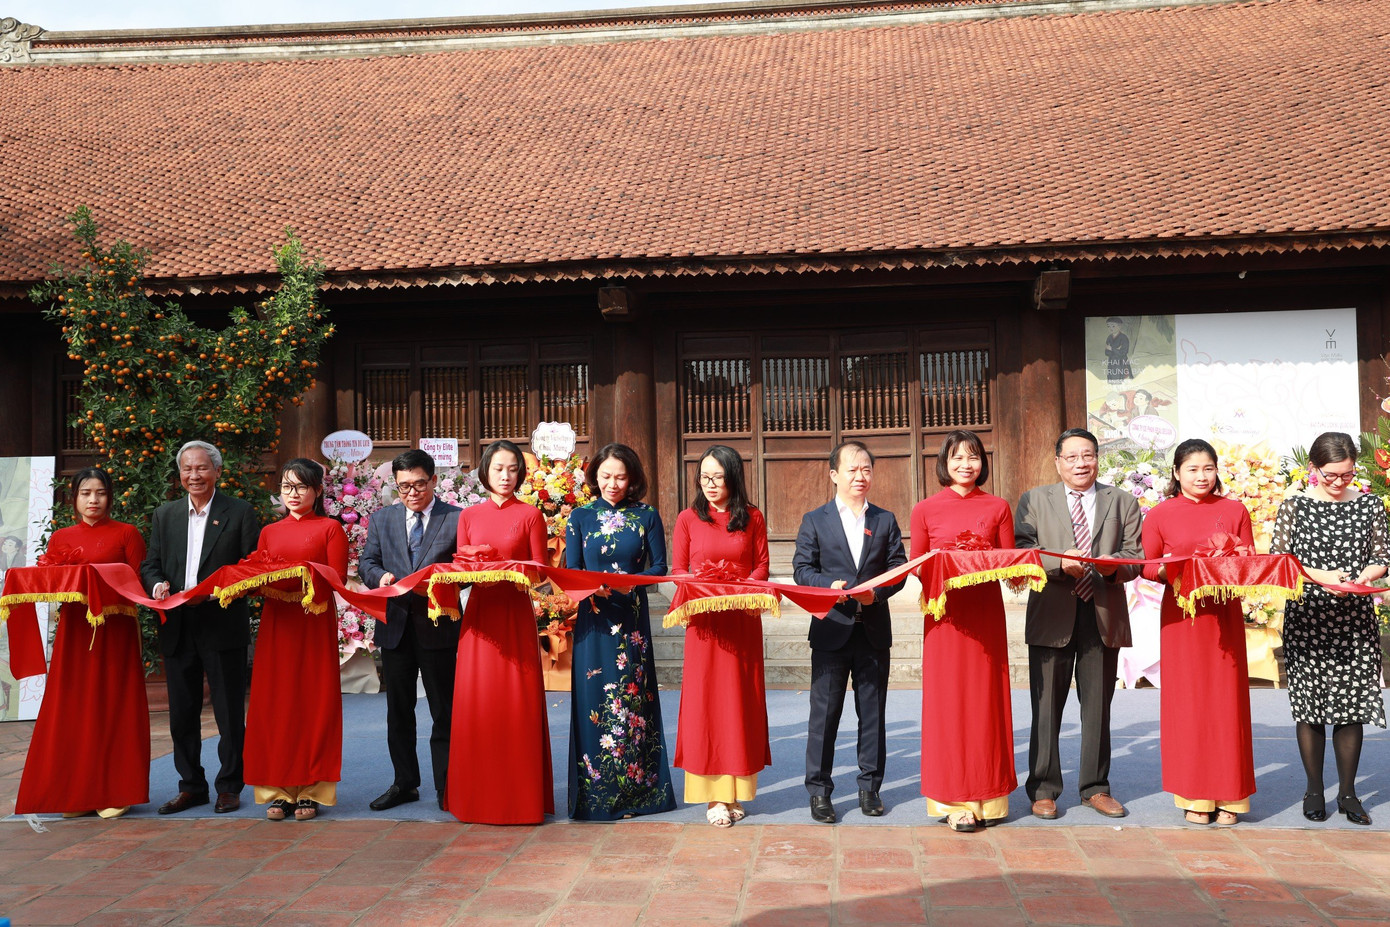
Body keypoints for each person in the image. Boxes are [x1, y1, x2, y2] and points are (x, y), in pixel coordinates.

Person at [1014, 428, 1143, 821]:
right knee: (1046, 707)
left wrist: (1106, 566)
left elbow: (1135, 557)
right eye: (1071, 457)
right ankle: (1044, 788)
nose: (1080, 463)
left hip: (1102, 613)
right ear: (1057, 462)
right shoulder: (1034, 499)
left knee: (1098, 708)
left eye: (1087, 455)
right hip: (1052, 612)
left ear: (1097, 458)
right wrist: (1057, 563)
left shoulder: (1122, 501)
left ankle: (1095, 787)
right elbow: (1022, 551)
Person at [14, 468, 148, 818]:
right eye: (86, 493)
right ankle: (76, 792)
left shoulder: (127, 534)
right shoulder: (60, 538)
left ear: (110, 497)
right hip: (74, 632)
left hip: (115, 630)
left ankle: (115, 790)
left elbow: (138, 585)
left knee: (114, 704)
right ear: (73, 497)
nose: (93, 500)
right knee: (73, 707)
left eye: (100, 493)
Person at [1270, 431, 1387, 826]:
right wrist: (1323, 577)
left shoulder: (1370, 504)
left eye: (1347, 475)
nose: (1339, 483)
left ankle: (1349, 793)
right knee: (1311, 706)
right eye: (1331, 475)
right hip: (1308, 618)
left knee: (1350, 707)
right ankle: (1314, 789)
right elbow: (1280, 559)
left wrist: (1361, 577)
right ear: (1313, 469)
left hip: (1354, 619)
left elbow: (1382, 556)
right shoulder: (1295, 506)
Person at [1141, 438, 1256, 826]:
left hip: (1223, 618)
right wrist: (1178, 569)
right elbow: (1147, 566)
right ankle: (1194, 794)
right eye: (1192, 469)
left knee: (1227, 703)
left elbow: (1249, 561)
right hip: (1182, 619)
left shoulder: (1235, 510)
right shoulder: (1160, 514)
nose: (1201, 476)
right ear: (1176, 473)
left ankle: (1231, 794)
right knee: (1187, 704)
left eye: (1208, 468)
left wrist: (1227, 565)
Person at [143, 440, 260, 815]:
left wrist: (215, 593)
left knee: (228, 713)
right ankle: (191, 786)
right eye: (187, 470)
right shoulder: (165, 514)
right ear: (180, 475)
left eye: (201, 468)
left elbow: (251, 568)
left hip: (220, 620)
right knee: (182, 713)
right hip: (177, 624)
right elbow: (151, 564)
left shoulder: (239, 513)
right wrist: (157, 584)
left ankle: (229, 785)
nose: (194, 475)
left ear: (217, 472)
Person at [794, 440, 907, 824]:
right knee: (823, 715)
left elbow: (898, 568)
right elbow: (801, 570)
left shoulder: (885, 519)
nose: (860, 476)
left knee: (872, 713)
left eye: (866, 470)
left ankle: (869, 787)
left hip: (873, 630)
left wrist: (879, 592)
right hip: (832, 630)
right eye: (852, 469)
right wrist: (828, 586)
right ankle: (820, 792)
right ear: (834, 475)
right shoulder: (815, 519)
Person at [910, 430, 1016, 831]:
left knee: (986, 700)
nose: (965, 465)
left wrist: (981, 561)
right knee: (948, 704)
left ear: (982, 462)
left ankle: (989, 796)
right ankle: (952, 800)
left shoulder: (998, 507)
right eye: (957, 458)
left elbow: (1009, 561)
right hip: (945, 618)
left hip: (986, 614)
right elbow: (918, 565)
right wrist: (950, 565)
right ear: (944, 462)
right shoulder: (925, 509)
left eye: (972, 457)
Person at [565, 443, 676, 820]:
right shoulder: (579, 517)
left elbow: (660, 568)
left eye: (620, 476)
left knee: (633, 704)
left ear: (633, 478)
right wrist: (588, 586)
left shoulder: (646, 516)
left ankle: (638, 796)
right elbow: (571, 573)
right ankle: (597, 796)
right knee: (594, 701)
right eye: (606, 476)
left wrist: (630, 581)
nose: (612, 483)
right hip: (593, 621)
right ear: (594, 476)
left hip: (630, 622)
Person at [447, 440, 554, 824]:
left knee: (516, 703)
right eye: (498, 469)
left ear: (520, 473)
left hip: (513, 615)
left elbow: (541, 571)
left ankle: (519, 801)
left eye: (512, 469)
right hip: (478, 617)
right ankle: (475, 800)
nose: (506, 476)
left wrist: (512, 571)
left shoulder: (530, 516)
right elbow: (461, 567)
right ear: (485, 472)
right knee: (478, 704)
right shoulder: (468, 516)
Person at [242, 458, 348, 821]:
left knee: (312, 701)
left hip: (313, 621)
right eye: (287, 486)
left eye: (301, 486)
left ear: (317, 491)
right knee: (276, 702)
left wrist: (297, 577)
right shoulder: (270, 531)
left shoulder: (331, 529)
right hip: (277, 624)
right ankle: (278, 789)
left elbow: (336, 578)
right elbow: (258, 570)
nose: (293, 494)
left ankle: (312, 789)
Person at [670, 445, 772, 827]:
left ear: (733, 478)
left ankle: (736, 792)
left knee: (739, 703)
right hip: (705, 625)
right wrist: (706, 588)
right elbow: (679, 569)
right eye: (704, 478)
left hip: (741, 621)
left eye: (718, 477)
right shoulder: (687, 519)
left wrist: (738, 587)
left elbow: (761, 566)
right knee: (707, 704)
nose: (711, 485)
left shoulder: (753, 518)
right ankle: (713, 796)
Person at [358, 449, 462, 812]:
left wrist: (440, 581)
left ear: (433, 480)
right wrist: (382, 577)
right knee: (398, 710)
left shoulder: (456, 518)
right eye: (404, 487)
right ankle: (404, 782)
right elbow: (367, 561)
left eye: (419, 484)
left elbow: (465, 567)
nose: (412, 493)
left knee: (443, 710)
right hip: (395, 625)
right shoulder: (382, 519)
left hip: (438, 624)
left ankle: (447, 785)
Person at [1104, 317, 1133, 384]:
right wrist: (1117, 351)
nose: (1110, 328)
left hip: (1121, 363)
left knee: (1122, 381)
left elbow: (1123, 352)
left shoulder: (1124, 338)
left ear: (1119, 326)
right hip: (1112, 362)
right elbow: (1106, 352)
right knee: (1112, 381)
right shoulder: (1109, 337)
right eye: (1108, 326)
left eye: (1113, 326)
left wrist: (1112, 349)